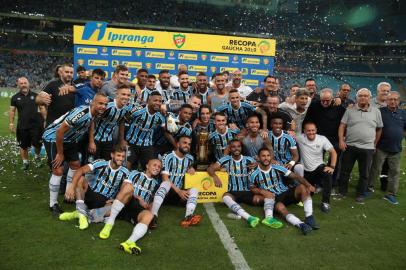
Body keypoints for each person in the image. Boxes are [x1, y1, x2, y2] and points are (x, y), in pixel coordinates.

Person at [42, 93, 108, 215]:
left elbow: (91, 122)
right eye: (100, 103)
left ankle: (69, 194)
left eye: (105, 104)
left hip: (70, 140)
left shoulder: (95, 113)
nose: (103, 106)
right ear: (93, 103)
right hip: (53, 138)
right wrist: (60, 153)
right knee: (58, 170)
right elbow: (59, 132)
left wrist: (91, 141)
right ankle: (53, 204)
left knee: (75, 164)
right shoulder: (81, 113)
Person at [208, 139, 283, 228]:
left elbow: (264, 165)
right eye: (233, 147)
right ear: (230, 148)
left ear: (241, 148)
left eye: (238, 146)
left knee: (269, 196)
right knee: (225, 197)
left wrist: (258, 163)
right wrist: (215, 177)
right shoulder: (225, 160)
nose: (236, 149)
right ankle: (249, 218)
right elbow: (210, 168)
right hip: (234, 192)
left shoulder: (249, 160)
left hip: (248, 192)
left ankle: (269, 218)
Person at [98, 159, 162, 255]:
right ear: (147, 165)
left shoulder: (156, 184)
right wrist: (136, 197)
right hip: (127, 201)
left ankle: (129, 242)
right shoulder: (134, 173)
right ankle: (109, 224)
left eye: (159, 167)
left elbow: (151, 205)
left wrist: (145, 204)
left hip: (137, 208)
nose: (157, 168)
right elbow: (124, 187)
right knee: (128, 187)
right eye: (155, 165)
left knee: (148, 215)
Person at [250, 148, 319, 235]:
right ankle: (301, 225)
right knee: (280, 207)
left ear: (271, 157)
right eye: (263, 156)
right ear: (258, 158)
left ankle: (309, 217)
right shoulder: (254, 174)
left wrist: (308, 185)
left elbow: (296, 176)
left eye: (268, 155)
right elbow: (252, 188)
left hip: (285, 193)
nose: (266, 158)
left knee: (302, 187)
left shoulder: (277, 167)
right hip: (273, 198)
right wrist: (262, 191)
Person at [60, 145, 130, 230]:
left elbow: (125, 189)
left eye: (123, 156)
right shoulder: (101, 163)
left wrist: (116, 200)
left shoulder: (125, 172)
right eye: (118, 155)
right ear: (112, 155)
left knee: (115, 209)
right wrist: (72, 186)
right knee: (81, 178)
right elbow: (80, 170)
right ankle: (83, 213)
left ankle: (79, 213)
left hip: (105, 201)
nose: (121, 158)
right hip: (91, 194)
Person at [338, 88, 383, 203]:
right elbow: (342, 126)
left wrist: (374, 144)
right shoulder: (350, 110)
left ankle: (360, 194)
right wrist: (341, 141)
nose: (363, 98)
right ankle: (342, 191)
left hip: (367, 148)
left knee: (364, 173)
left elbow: (379, 129)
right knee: (345, 171)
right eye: (361, 95)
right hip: (350, 146)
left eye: (366, 96)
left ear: (369, 98)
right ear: (357, 97)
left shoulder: (376, 111)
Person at [150, 136, 201, 228]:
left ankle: (188, 217)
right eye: (184, 143)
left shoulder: (190, 158)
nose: (187, 146)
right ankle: (153, 216)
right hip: (165, 192)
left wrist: (191, 169)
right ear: (178, 144)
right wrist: (179, 191)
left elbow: (190, 170)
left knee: (194, 190)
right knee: (165, 184)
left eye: (189, 144)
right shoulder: (168, 156)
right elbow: (165, 178)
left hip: (177, 195)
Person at [303, 88, 346, 188]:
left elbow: (344, 124)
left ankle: (331, 183)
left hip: (334, 138)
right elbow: (307, 120)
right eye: (323, 100)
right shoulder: (314, 105)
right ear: (320, 98)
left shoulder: (339, 107)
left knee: (334, 161)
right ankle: (317, 182)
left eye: (328, 100)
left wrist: (342, 138)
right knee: (316, 161)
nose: (325, 102)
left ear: (332, 98)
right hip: (317, 138)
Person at [368, 91, 406, 205]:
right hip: (381, 147)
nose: (393, 101)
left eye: (395, 99)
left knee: (394, 172)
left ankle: (391, 194)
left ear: (399, 101)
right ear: (387, 100)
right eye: (390, 99)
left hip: (396, 149)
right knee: (375, 169)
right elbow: (374, 128)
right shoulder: (380, 112)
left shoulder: (403, 113)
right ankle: (369, 188)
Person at [296, 122, 337, 213]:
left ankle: (325, 202)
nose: (311, 132)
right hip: (305, 170)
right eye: (308, 130)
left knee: (328, 174)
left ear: (316, 130)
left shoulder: (322, 139)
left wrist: (332, 167)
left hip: (318, 167)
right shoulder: (300, 138)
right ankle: (312, 188)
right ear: (304, 131)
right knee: (306, 194)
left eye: (313, 130)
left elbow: (333, 152)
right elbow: (289, 134)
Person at [122, 91, 166, 170]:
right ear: (149, 101)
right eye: (155, 100)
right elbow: (123, 121)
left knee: (151, 168)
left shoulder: (160, 116)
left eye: (160, 101)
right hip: (131, 143)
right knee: (127, 165)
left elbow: (166, 130)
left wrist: (168, 117)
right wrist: (122, 140)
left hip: (147, 145)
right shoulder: (137, 110)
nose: (158, 103)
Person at [9, 77, 44, 170]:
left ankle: (37, 157)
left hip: (37, 125)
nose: (23, 85)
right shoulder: (15, 98)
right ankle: (25, 162)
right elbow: (12, 111)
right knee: (23, 145)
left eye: (25, 83)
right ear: (18, 85)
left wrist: (45, 121)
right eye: (21, 83)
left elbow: (42, 109)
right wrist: (11, 123)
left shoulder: (37, 96)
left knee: (37, 144)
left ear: (29, 84)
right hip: (22, 126)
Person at [89, 85, 131, 160]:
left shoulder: (126, 108)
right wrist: (91, 141)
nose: (126, 97)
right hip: (96, 139)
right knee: (91, 164)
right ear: (117, 94)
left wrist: (121, 140)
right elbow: (92, 120)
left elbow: (122, 121)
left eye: (128, 95)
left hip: (108, 141)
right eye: (123, 94)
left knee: (105, 165)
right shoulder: (108, 106)